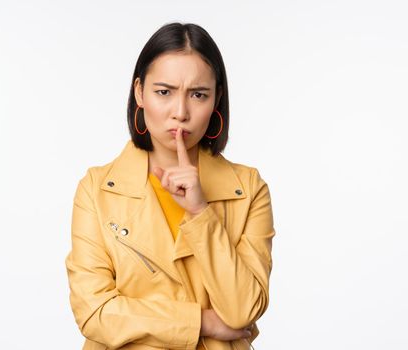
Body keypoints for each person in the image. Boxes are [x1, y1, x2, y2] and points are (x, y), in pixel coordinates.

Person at [65, 22, 276, 350]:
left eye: (198, 94)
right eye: (164, 92)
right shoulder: (97, 190)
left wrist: (200, 212)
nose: (180, 112)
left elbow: (243, 309)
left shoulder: (248, 189)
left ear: (216, 98)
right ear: (140, 92)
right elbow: (94, 313)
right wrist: (201, 322)